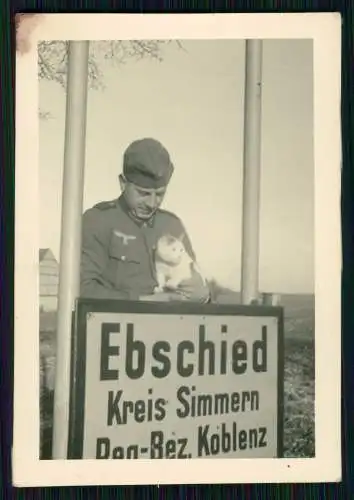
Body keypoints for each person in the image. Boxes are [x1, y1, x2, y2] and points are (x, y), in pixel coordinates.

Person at [80, 138, 210, 303]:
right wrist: (146, 300)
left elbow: (195, 287)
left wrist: (200, 294)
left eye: (160, 194)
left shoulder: (171, 225)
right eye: (143, 193)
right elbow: (83, 290)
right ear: (123, 184)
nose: (151, 204)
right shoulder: (99, 221)